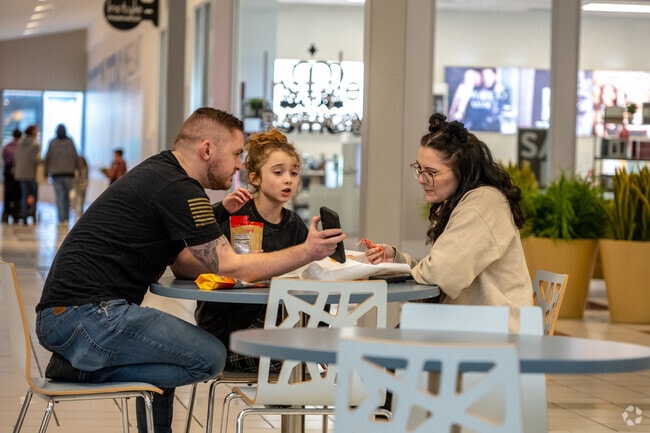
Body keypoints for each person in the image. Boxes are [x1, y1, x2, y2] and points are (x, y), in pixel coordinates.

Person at [35, 107, 344, 433]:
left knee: (166, 356)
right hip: (88, 316)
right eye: (237, 153)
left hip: (73, 314)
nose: (240, 164)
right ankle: (80, 370)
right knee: (209, 356)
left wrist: (220, 213)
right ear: (208, 150)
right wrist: (308, 251)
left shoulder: (162, 174)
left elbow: (186, 262)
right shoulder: (177, 186)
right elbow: (228, 265)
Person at [363, 113, 532, 331]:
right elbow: (441, 268)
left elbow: (442, 274)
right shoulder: (466, 201)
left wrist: (407, 268)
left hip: (494, 337)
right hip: (476, 325)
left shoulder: (482, 203)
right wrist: (397, 259)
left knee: (381, 345)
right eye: (419, 169)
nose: (422, 179)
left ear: (462, 171)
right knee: (390, 340)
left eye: (431, 172)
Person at [194, 128, 308, 372]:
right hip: (228, 335)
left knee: (305, 353)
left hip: (273, 330)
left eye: (294, 173)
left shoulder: (295, 225)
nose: (288, 179)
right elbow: (213, 271)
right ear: (254, 178)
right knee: (294, 361)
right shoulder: (237, 218)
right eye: (278, 172)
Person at [44, 124, 80, 226]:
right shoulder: (70, 142)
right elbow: (75, 156)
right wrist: (78, 169)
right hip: (69, 174)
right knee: (67, 198)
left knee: (60, 197)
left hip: (56, 174)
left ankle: (61, 219)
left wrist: (46, 171)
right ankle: (66, 219)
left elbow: (48, 157)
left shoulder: (52, 143)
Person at [13, 125, 41, 224]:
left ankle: (24, 216)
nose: (37, 132)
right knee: (33, 195)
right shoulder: (35, 144)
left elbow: (16, 158)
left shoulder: (20, 143)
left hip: (21, 173)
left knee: (24, 195)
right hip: (31, 173)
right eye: (36, 130)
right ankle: (32, 214)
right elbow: (35, 160)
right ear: (32, 132)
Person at [2, 129, 22, 223]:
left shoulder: (7, 146)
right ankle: (16, 215)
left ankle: (5, 215)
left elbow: (4, 158)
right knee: (17, 195)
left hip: (8, 171)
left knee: (8, 194)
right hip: (18, 172)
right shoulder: (21, 146)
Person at [73, 155, 89, 219]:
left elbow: (76, 180)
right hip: (84, 186)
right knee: (82, 200)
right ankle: (80, 214)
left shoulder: (77, 170)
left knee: (79, 201)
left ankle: (79, 215)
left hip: (79, 187)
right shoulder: (86, 168)